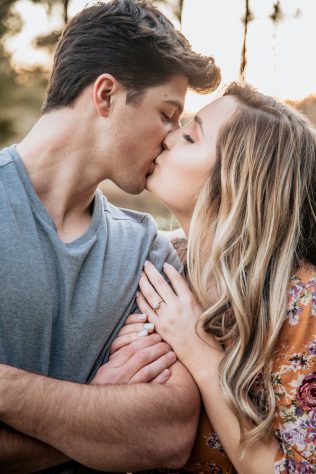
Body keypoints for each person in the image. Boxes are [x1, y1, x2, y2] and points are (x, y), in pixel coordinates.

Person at [0, 0, 221, 472]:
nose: (170, 138)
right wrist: (95, 414)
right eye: (167, 113)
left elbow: (167, 435)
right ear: (105, 96)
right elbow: (131, 434)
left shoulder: (147, 251)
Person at [131, 82, 315, 473]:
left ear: (235, 183)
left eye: (190, 136)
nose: (167, 137)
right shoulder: (154, 262)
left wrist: (195, 347)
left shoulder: (304, 310)